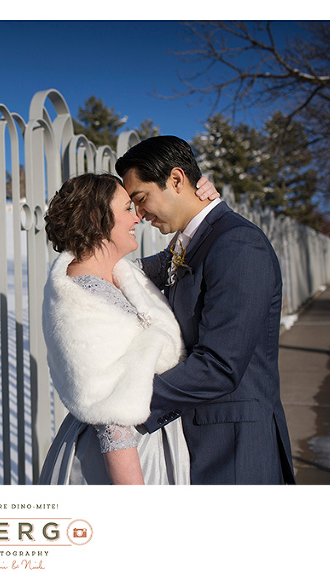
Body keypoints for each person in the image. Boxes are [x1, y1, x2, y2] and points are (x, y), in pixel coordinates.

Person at [115, 135, 296, 485]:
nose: (139, 213)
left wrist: (128, 402)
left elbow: (221, 365)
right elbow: (134, 273)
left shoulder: (237, 244)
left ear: (177, 180)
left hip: (234, 448)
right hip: (199, 441)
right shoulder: (191, 243)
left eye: (141, 199)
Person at [37, 172, 218, 485]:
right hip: (125, 458)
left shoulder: (120, 275)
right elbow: (112, 420)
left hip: (149, 439)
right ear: (97, 219)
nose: (137, 218)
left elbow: (176, 257)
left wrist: (202, 208)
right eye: (126, 208)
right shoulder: (80, 300)